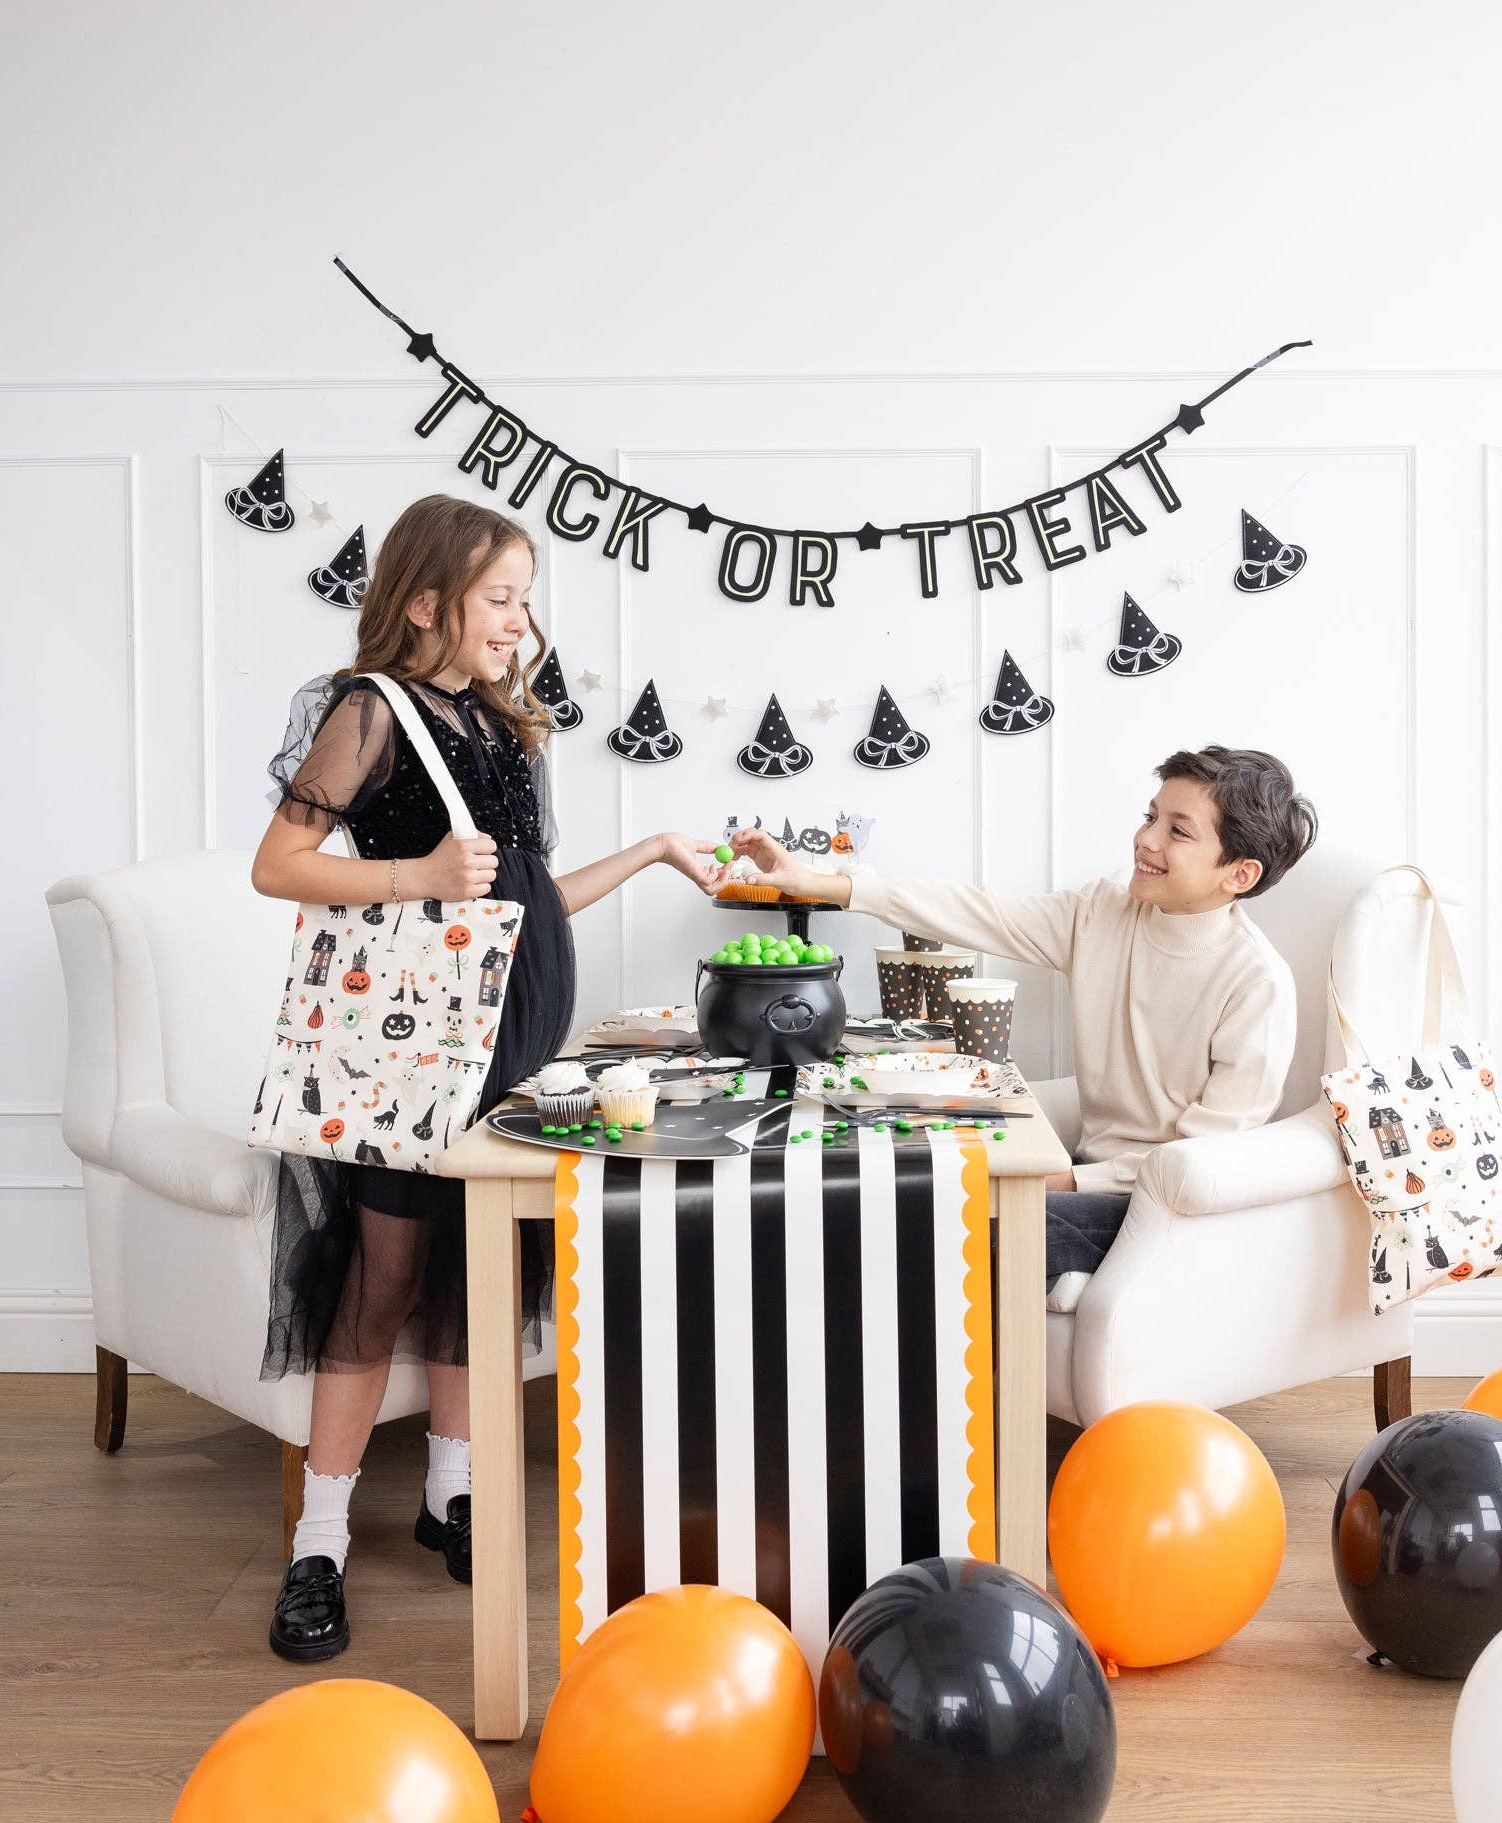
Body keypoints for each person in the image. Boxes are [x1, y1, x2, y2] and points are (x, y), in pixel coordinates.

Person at [251, 493, 725, 1662]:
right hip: (415, 1050)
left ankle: (448, 1491)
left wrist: (654, 850)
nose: (519, 622)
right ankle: (319, 1542)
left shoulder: (504, 727)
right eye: (499, 599)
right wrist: (412, 873)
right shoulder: (371, 711)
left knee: (479, 1270)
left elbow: (525, 897)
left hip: (509, 1045)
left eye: (524, 600)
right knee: (381, 1279)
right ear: (425, 602)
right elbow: (280, 864)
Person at [732, 745, 1316, 1309]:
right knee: (896, 1193)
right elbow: (983, 914)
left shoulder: (1256, 982)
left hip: (1156, 1207)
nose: (1147, 839)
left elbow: (1205, 1157)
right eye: (1150, 817)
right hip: (1082, 1172)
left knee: (953, 1229)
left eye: (1178, 831)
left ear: (1239, 874)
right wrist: (819, 884)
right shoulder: (1104, 911)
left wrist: (1068, 1183)